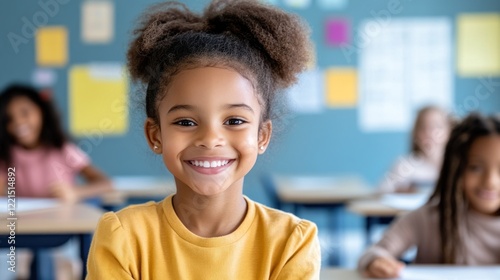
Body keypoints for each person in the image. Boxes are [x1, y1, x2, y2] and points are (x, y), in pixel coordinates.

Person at [86, 0, 321, 279]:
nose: (210, 139)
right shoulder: (123, 236)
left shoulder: (292, 242)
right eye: (186, 122)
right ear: (155, 134)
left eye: (234, 121)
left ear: (262, 135)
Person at [359, 113, 500, 278]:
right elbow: (374, 252)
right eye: (475, 167)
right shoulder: (428, 218)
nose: (490, 182)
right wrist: (377, 261)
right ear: (456, 169)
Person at [0, 84, 112, 202]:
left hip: (64, 219)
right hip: (24, 220)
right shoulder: (6, 155)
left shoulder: (63, 150)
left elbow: (106, 183)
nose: (18, 122)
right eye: (9, 119)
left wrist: (76, 192)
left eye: (25, 113)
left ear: (42, 111)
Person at [378, 106, 453, 193]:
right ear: (416, 133)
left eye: (437, 127)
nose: (429, 133)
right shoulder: (404, 166)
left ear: (449, 131)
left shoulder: (458, 164)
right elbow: (380, 193)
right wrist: (399, 192)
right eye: (424, 128)